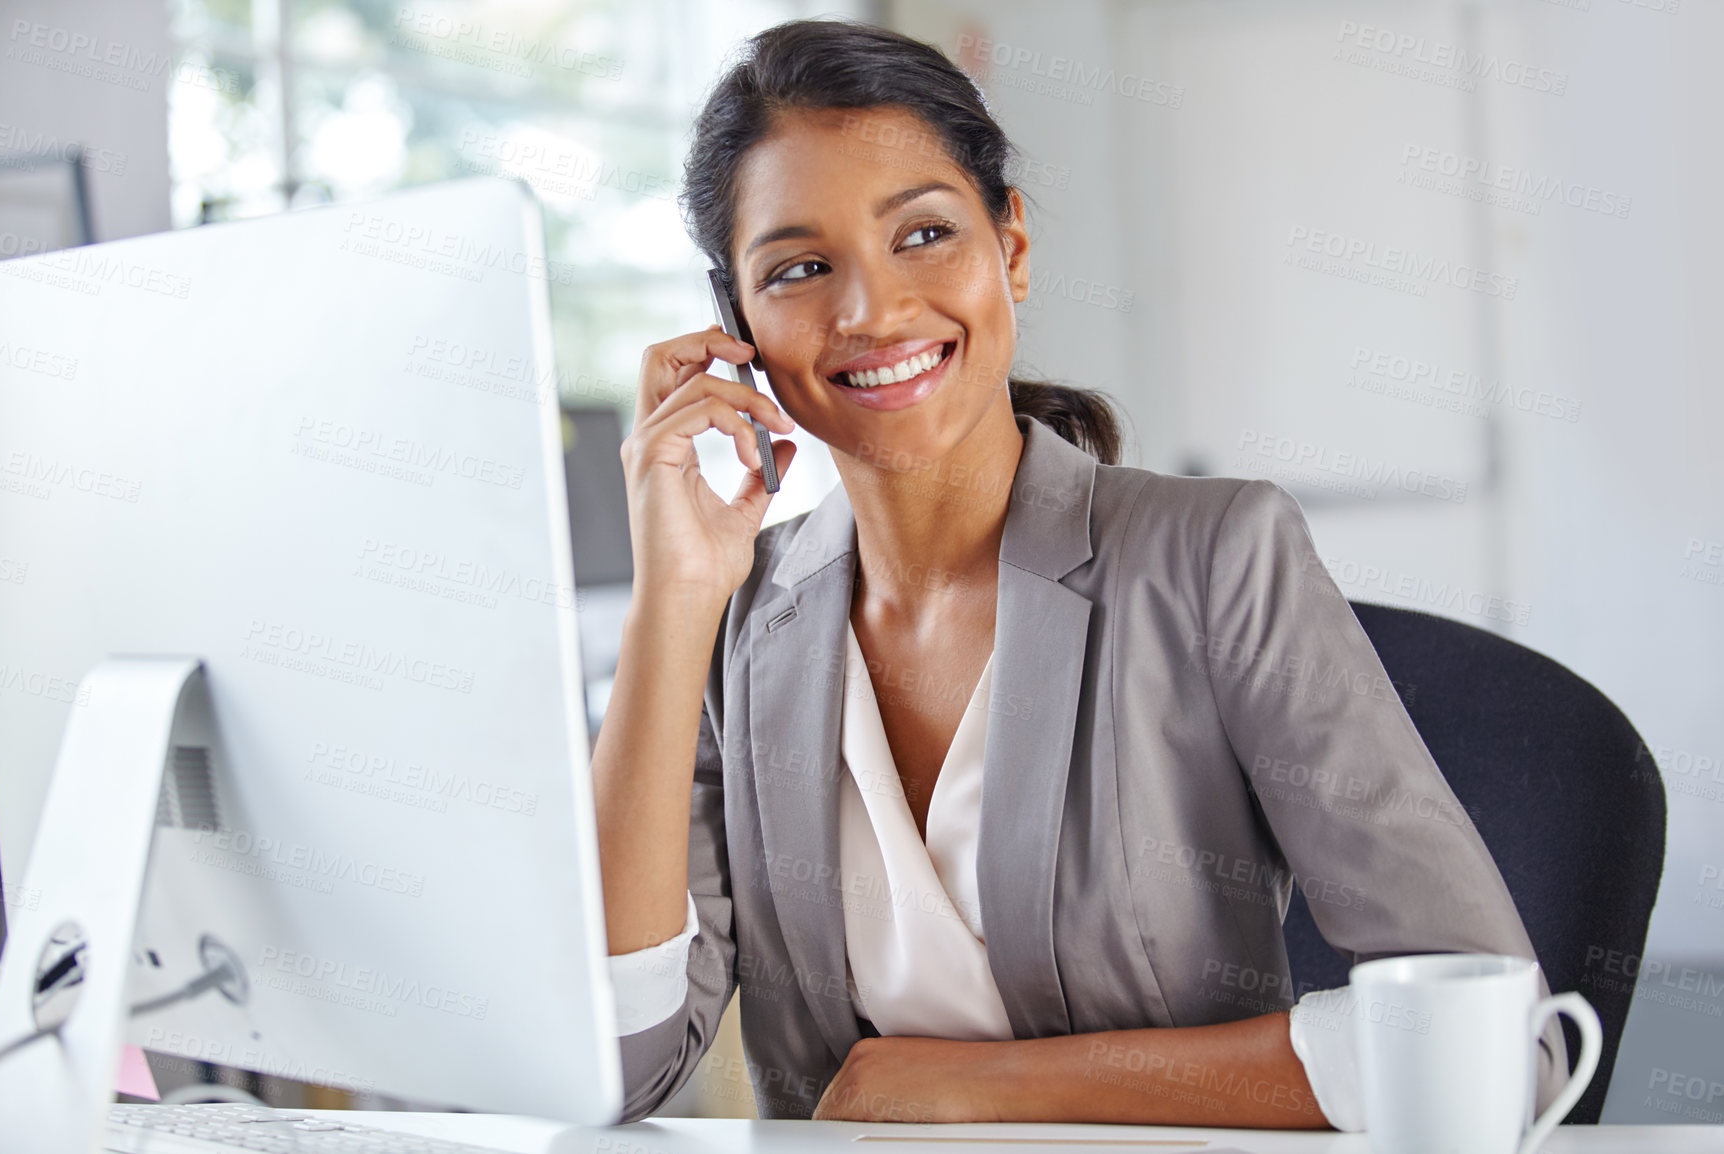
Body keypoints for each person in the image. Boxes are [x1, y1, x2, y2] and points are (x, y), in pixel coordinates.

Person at [591, 17, 1567, 1128]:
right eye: (801, 268)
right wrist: (671, 600)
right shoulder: (736, 624)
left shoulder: (1212, 561)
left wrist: (981, 1089)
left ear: (1009, 249)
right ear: (738, 326)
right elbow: (624, 1065)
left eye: (921, 233)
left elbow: (1502, 1050)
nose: (870, 309)